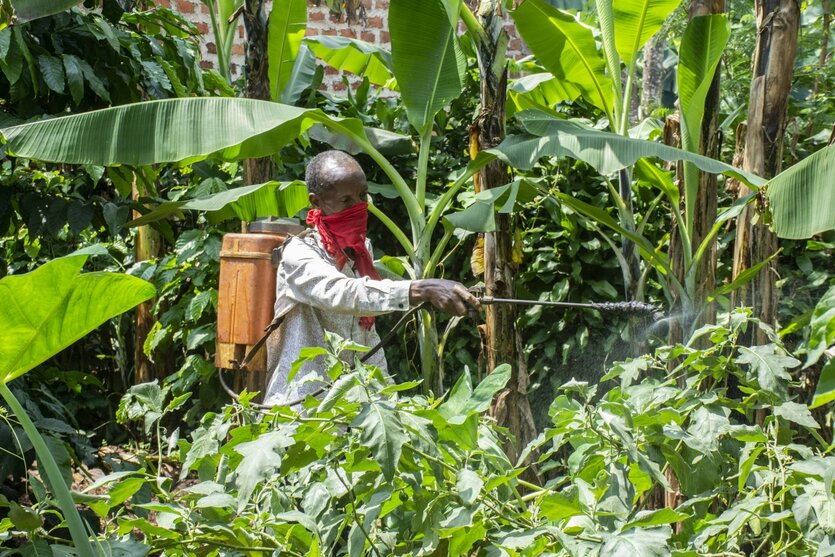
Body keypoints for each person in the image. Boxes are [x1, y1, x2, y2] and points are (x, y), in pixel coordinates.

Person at [263, 150, 480, 406]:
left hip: (351, 413)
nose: (358, 206)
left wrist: (389, 403)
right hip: (301, 411)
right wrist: (421, 289)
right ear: (317, 202)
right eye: (346, 200)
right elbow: (345, 293)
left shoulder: (359, 252)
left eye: (362, 196)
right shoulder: (298, 254)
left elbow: (366, 339)